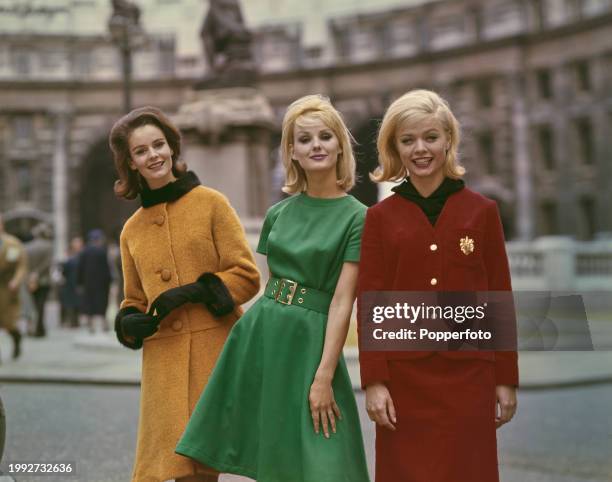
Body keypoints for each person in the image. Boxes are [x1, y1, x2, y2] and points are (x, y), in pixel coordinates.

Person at [176, 95, 371, 482]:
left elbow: (342, 302)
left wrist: (324, 375)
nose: (316, 145)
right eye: (304, 139)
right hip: (260, 336)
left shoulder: (359, 216)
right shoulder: (278, 213)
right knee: (271, 451)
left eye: (325, 136)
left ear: (339, 147)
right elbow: (266, 283)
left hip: (310, 341)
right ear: (292, 152)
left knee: (325, 459)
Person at [358, 89, 518, 482]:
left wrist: (505, 378)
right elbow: (371, 303)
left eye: (430, 137)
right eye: (407, 140)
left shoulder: (483, 211)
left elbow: (499, 295)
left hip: (470, 378)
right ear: (394, 147)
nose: (420, 149)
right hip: (404, 381)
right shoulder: (379, 217)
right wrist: (375, 382)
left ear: (449, 140)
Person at [110, 106, 260, 482]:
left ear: (172, 148)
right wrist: (129, 321)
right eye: (141, 151)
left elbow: (246, 276)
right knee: (177, 467)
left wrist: (196, 291)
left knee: (205, 467)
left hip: (215, 351)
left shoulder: (212, 203)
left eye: (158, 145)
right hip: (163, 363)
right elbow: (133, 299)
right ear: (131, 163)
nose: (153, 155)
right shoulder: (131, 230)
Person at [0, 214, 27, 361]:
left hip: (7, 289)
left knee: (9, 324)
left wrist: (16, 281)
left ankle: (16, 338)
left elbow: (21, 266)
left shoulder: (13, 244)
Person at [77, 230, 113, 333]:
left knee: (89, 302)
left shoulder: (84, 252)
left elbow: (80, 268)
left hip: (88, 283)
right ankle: (103, 324)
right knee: (102, 302)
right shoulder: (102, 251)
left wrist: (79, 283)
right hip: (102, 283)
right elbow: (106, 268)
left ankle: (91, 325)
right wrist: (110, 280)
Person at [25, 223, 53, 337]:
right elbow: (48, 263)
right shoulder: (48, 246)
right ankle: (39, 328)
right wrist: (37, 273)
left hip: (29, 280)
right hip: (44, 280)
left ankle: (32, 327)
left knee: (32, 304)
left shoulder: (27, 246)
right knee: (41, 305)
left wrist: (31, 274)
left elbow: (25, 264)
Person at [59, 236, 84, 328]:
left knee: (77, 302)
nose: (77, 245)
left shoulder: (82, 255)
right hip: (70, 283)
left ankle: (75, 321)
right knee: (71, 302)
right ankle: (71, 321)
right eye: (75, 244)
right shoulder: (69, 256)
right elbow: (63, 270)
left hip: (78, 282)